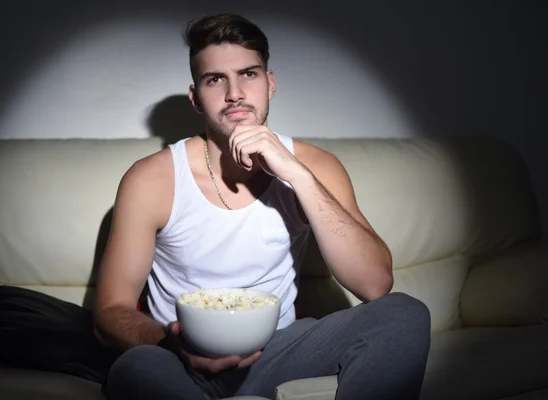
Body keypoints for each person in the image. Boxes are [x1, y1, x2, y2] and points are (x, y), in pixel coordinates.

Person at [93, 13, 431, 400]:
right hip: (179, 358)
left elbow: (375, 285)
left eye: (248, 74)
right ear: (196, 99)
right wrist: (172, 344)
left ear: (269, 84)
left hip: (276, 351)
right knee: (133, 368)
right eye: (215, 79)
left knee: (403, 313)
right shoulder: (151, 179)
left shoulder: (315, 166)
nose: (234, 93)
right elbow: (111, 311)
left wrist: (297, 175)